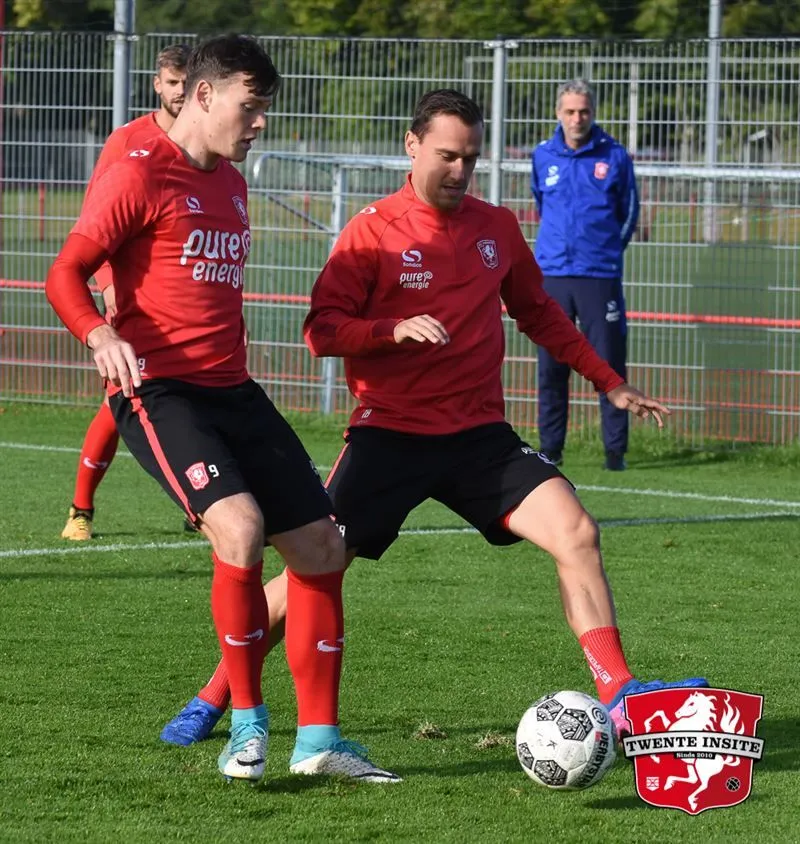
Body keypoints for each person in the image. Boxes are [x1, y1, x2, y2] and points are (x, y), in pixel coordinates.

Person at [162, 89, 707, 750]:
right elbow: (322, 330)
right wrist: (392, 330)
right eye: (447, 154)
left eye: (470, 158)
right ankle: (216, 693)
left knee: (577, 531)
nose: (459, 169)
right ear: (412, 145)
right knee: (315, 567)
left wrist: (610, 384)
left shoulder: (497, 228)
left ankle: (618, 692)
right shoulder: (372, 231)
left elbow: (539, 314)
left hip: (479, 438)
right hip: (390, 436)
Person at [46, 34, 398, 785]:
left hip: (233, 390)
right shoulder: (137, 173)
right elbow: (65, 273)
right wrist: (100, 330)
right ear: (204, 96)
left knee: (323, 548)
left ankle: (320, 743)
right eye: (252, 105)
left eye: (266, 107)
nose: (261, 122)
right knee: (237, 531)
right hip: (158, 391)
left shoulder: (230, 183)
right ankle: (245, 726)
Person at [61, 43, 191, 541]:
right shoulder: (128, 141)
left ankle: (204, 504)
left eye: (187, 82)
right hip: (130, 301)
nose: (180, 91)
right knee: (121, 400)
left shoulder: (210, 147)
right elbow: (98, 227)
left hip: (181, 307)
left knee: (193, 401)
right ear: (157, 84)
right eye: (172, 81)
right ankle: (81, 509)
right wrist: (110, 289)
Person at [531, 78, 639, 471]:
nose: (577, 119)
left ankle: (615, 452)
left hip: (599, 276)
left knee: (608, 364)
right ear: (558, 113)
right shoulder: (542, 155)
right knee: (552, 366)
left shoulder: (614, 156)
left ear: (592, 113)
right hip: (553, 275)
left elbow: (629, 211)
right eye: (570, 111)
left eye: (584, 111)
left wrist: (608, 252)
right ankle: (551, 449)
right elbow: (542, 202)